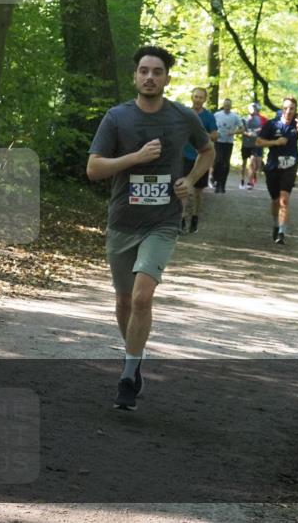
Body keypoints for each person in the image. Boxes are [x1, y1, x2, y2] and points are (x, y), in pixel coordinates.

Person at [87, 46, 213, 411]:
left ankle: (127, 376)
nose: (149, 77)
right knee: (125, 299)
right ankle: (135, 357)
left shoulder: (182, 117)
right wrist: (136, 158)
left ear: (167, 78)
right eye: (143, 71)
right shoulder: (116, 118)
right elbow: (94, 169)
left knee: (143, 296)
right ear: (134, 76)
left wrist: (189, 181)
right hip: (123, 219)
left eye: (157, 72)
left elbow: (207, 152)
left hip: (163, 221)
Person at [257, 97, 298, 245]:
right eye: (286, 108)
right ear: (282, 109)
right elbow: (258, 142)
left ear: (296, 111)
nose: (289, 111)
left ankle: (282, 232)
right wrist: (275, 142)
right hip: (273, 166)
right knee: (275, 200)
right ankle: (276, 224)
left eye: (292, 109)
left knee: (284, 200)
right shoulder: (271, 124)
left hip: (290, 165)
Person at [180, 87, 218, 233]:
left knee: (197, 192)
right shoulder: (185, 114)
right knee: (183, 188)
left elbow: (215, 135)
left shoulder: (209, 117)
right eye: (195, 97)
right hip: (185, 156)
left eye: (200, 97)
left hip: (202, 158)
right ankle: (182, 219)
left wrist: (201, 136)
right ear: (192, 97)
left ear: (204, 99)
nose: (197, 100)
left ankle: (195, 217)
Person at [212, 98, 243, 193]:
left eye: (228, 105)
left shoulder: (235, 117)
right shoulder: (217, 115)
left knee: (225, 164)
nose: (227, 107)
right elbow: (211, 126)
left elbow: (242, 129)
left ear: (231, 106)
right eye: (225, 105)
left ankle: (222, 184)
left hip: (228, 143)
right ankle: (215, 180)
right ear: (223, 105)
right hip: (218, 141)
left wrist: (233, 132)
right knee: (218, 162)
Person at [239, 102, 266, 189]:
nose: (253, 110)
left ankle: (252, 177)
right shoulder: (244, 119)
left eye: (255, 108)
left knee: (255, 164)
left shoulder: (263, 119)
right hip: (246, 143)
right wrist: (248, 133)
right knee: (245, 163)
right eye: (251, 108)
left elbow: (265, 129)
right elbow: (241, 130)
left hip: (257, 144)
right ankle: (243, 181)